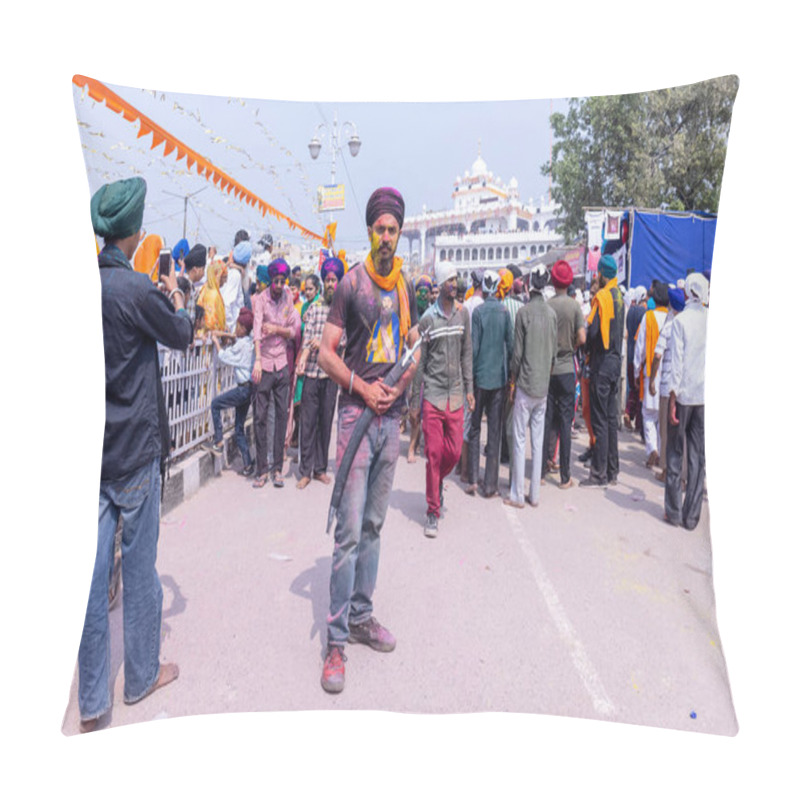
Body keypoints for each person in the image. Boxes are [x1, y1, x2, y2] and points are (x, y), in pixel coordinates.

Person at [79, 177, 192, 733]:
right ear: (136, 232)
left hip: (89, 456)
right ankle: (141, 675)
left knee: (90, 578)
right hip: (134, 451)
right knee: (140, 566)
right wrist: (173, 291)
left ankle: (93, 699)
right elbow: (182, 334)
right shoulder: (136, 290)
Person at [317, 186, 419, 693]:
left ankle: (361, 617)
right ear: (370, 231)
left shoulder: (405, 287)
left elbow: (415, 345)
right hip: (357, 416)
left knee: (375, 527)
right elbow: (324, 353)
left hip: (390, 419)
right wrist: (362, 387)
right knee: (349, 533)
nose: (385, 237)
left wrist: (397, 389)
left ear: (400, 234)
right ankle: (334, 642)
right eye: (379, 228)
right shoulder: (351, 285)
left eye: (392, 229)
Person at [412, 259, 474, 537]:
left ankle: (437, 483)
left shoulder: (463, 316)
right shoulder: (427, 320)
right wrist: (416, 401)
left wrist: (470, 389)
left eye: (456, 279)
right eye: (450, 280)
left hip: (457, 395)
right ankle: (432, 510)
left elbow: (467, 355)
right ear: (441, 285)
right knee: (434, 454)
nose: (455, 284)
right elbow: (420, 364)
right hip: (434, 396)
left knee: (455, 452)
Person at [505, 264, 557, 508]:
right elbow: (554, 356)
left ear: (529, 285)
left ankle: (517, 494)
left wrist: (513, 381)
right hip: (543, 386)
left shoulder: (523, 314)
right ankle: (534, 494)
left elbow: (517, 355)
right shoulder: (552, 315)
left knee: (519, 440)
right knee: (537, 442)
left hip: (525, 384)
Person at [664, 273, 709, 529]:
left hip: (682, 396)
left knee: (675, 453)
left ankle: (673, 511)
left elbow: (677, 365)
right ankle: (692, 516)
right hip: (703, 398)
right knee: (697, 456)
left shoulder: (680, 322)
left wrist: (672, 398)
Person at [251, 258, 300, 489]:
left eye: (283, 281)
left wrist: (276, 329)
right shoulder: (261, 300)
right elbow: (258, 331)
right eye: (277, 281)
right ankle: (262, 469)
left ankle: (277, 469)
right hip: (265, 363)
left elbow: (293, 330)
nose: (280, 285)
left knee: (281, 416)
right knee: (260, 417)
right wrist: (258, 361)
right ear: (271, 280)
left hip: (281, 364)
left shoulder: (288, 298)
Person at [295, 258, 344, 489]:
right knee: (308, 423)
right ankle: (304, 470)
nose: (332, 283)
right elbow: (307, 340)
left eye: (335, 280)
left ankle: (320, 469)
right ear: (324, 282)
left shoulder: (343, 311)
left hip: (330, 375)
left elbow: (344, 340)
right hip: (313, 374)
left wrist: (323, 343)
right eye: (328, 280)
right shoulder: (315, 309)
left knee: (326, 423)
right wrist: (304, 357)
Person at [467, 269, 513, 498]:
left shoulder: (478, 312)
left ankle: (473, 478)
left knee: (475, 428)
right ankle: (491, 485)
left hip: (479, 379)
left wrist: (470, 379)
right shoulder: (505, 313)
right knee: (494, 431)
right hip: (499, 379)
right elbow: (511, 346)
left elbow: (474, 349)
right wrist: (511, 377)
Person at [580, 255, 624, 488]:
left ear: (603, 274)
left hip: (602, 363)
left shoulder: (602, 297)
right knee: (610, 419)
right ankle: (612, 471)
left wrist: (585, 347)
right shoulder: (619, 296)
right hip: (616, 362)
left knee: (599, 421)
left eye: (598, 272)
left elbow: (594, 331)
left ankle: (598, 473)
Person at [542, 260, 585, 489]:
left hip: (549, 369)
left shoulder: (548, 306)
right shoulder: (574, 306)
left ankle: (541, 469)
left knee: (547, 420)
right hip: (568, 369)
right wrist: (572, 347)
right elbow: (582, 338)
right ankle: (565, 477)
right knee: (566, 422)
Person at [206, 308, 256, 476]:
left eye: (237, 325)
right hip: (248, 390)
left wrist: (216, 341)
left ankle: (218, 441)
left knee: (215, 404)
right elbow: (236, 340)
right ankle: (248, 464)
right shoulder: (249, 342)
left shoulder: (242, 345)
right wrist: (227, 335)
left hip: (242, 390)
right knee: (239, 428)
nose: (235, 328)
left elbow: (224, 356)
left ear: (242, 328)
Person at [650, 287, 686, 482]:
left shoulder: (669, 326)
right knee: (682, 434)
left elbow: (657, 355)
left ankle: (665, 470)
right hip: (684, 386)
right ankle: (682, 475)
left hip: (666, 385)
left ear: (671, 305)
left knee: (665, 431)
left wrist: (652, 377)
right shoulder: (688, 325)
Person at [633, 280, 669, 468]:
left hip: (650, 374)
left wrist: (636, 371)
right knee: (663, 420)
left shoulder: (648, 318)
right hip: (668, 376)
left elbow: (639, 348)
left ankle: (652, 450)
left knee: (648, 415)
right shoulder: (673, 318)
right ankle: (661, 454)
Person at [623, 286, 647, 431]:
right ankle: (638, 422)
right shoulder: (644, 313)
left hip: (630, 353)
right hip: (639, 355)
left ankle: (628, 412)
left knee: (633, 387)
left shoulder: (630, 311)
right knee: (639, 390)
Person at [197, 260, 228, 333]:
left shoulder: (205, 288)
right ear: (217, 276)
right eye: (224, 277)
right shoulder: (213, 295)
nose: (225, 281)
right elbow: (211, 326)